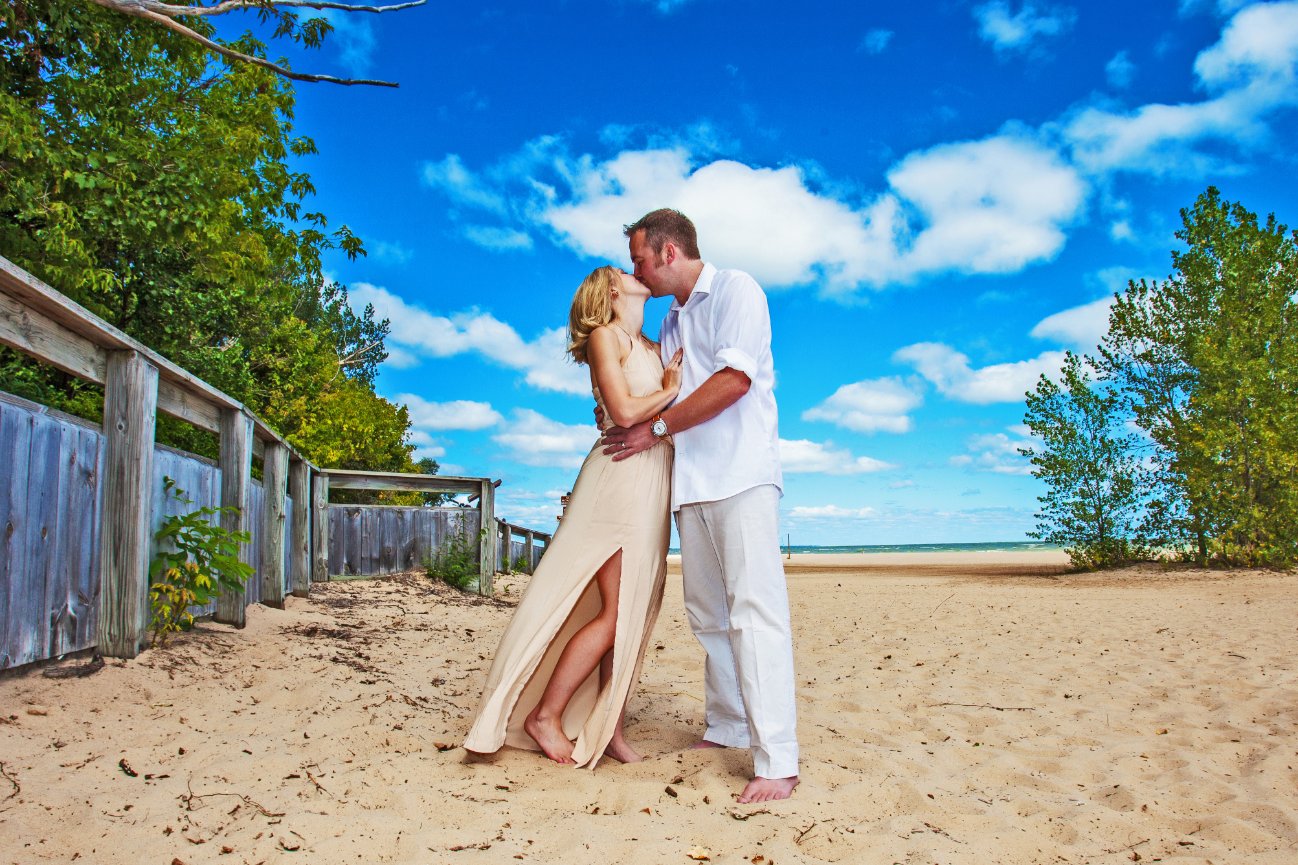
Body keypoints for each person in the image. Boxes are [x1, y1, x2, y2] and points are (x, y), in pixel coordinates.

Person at [601, 208, 799, 803]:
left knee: (755, 613)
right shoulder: (670, 322)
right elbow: (661, 393)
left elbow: (735, 380)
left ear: (668, 252)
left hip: (742, 476)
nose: (637, 270)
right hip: (690, 484)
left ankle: (777, 761)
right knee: (708, 615)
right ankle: (728, 725)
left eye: (640, 260)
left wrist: (656, 428)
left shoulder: (737, 290)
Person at [463, 265, 683, 768]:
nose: (636, 271)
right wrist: (668, 392)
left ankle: (609, 728)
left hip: (651, 483)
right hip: (620, 479)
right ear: (611, 289)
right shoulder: (607, 337)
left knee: (631, 611)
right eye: (625, 270)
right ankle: (546, 715)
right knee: (615, 612)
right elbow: (623, 412)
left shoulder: (651, 346)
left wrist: (666, 399)